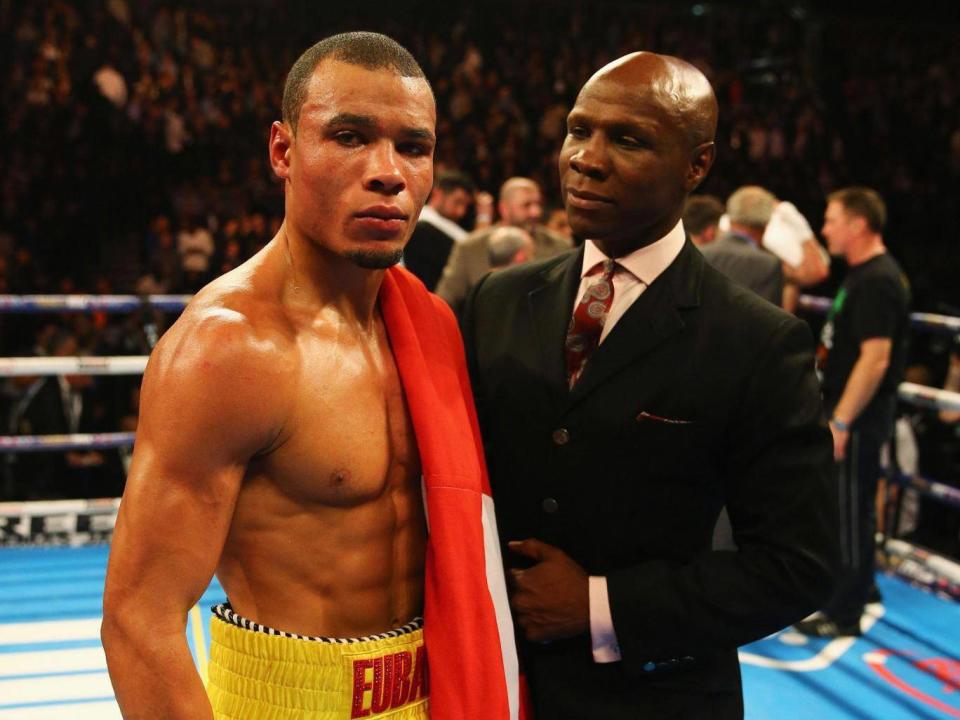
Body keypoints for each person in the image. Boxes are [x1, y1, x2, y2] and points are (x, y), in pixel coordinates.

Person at [102, 32, 520, 720]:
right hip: (285, 703)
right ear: (283, 151)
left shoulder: (432, 328)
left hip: (432, 696)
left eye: (413, 147)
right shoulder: (230, 350)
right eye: (350, 136)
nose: (388, 171)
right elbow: (138, 620)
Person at [461, 51, 837, 718]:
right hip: (492, 685)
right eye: (579, 130)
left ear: (697, 164)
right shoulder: (498, 299)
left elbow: (796, 565)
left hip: (658, 695)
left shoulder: (757, 341)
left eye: (628, 139)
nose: (588, 158)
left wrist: (601, 606)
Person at [796, 187, 910, 638]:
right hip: (852, 411)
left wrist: (841, 421)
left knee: (848, 509)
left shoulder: (879, 279)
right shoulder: (866, 275)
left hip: (858, 416)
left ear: (858, 224)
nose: (825, 229)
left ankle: (843, 613)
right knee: (848, 506)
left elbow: (876, 358)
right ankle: (858, 588)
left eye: (832, 219)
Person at [435, 177, 571, 312]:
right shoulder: (471, 247)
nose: (536, 212)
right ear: (504, 209)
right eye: (527, 205)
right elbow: (445, 300)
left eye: (538, 204)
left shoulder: (559, 246)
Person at [701, 186, 783, 306]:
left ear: (730, 218)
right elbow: (768, 321)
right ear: (766, 223)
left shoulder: (700, 253)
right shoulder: (768, 264)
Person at [403, 170, 475, 290]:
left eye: (465, 205)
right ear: (438, 194)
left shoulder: (452, 228)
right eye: (457, 202)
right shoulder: (421, 225)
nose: (461, 212)